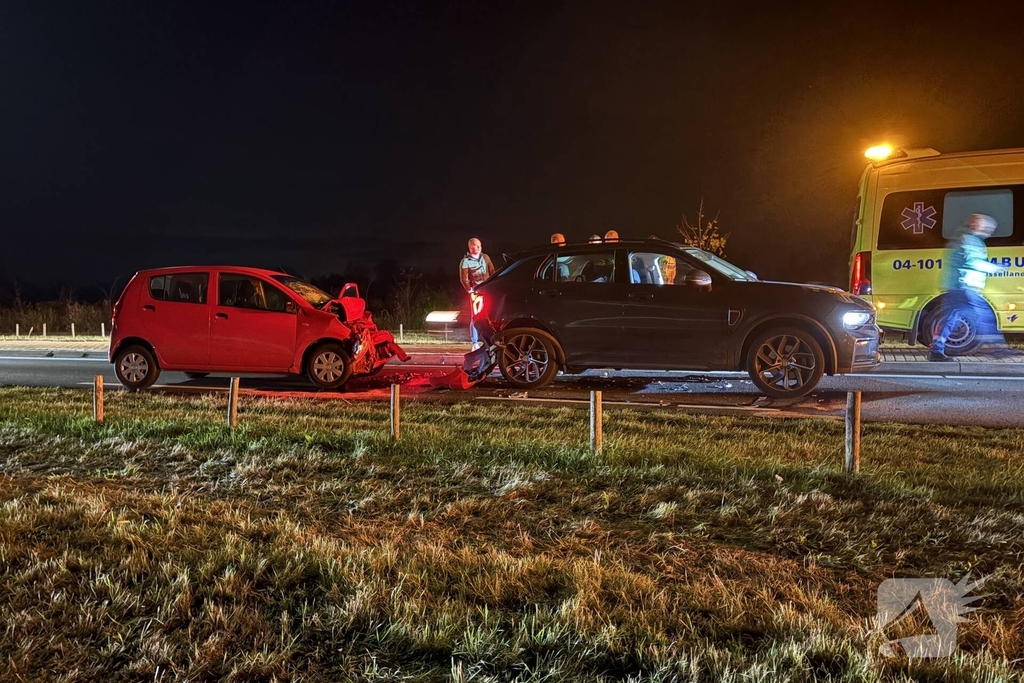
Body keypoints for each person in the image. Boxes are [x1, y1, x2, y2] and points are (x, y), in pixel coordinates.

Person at [930, 214, 1012, 361]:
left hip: (955, 287)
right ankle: (996, 348)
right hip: (965, 287)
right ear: (976, 226)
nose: (989, 232)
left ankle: (936, 350)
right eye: (986, 228)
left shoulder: (963, 238)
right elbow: (973, 263)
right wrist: (995, 268)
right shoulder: (970, 240)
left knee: (949, 319)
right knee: (984, 315)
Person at [460, 237, 495, 350]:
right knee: (475, 317)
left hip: (488, 290)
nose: (479, 247)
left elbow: (492, 271)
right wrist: (470, 290)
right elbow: (464, 279)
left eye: (479, 245)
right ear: (470, 247)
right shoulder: (465, 262)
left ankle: (491, 340)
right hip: (476, 292)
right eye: (476, 245)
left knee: (490, 315)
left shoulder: (485, 257)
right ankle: (474, 342)